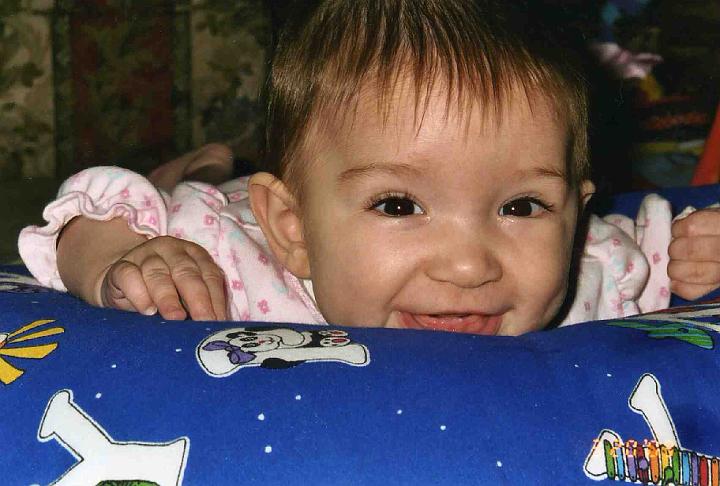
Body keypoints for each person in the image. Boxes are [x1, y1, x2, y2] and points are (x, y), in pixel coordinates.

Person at [16, 0, 720, 335]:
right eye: (398, 204)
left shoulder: (595, 271)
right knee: (176, 192)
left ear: (576, 212)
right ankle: (199, 165)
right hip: (227, 205)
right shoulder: (226, 264)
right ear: (292, 228)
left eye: (521, 206)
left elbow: (666, 250)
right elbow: (79, 221)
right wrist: (123, 260)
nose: (469, 266)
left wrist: (702, 251)